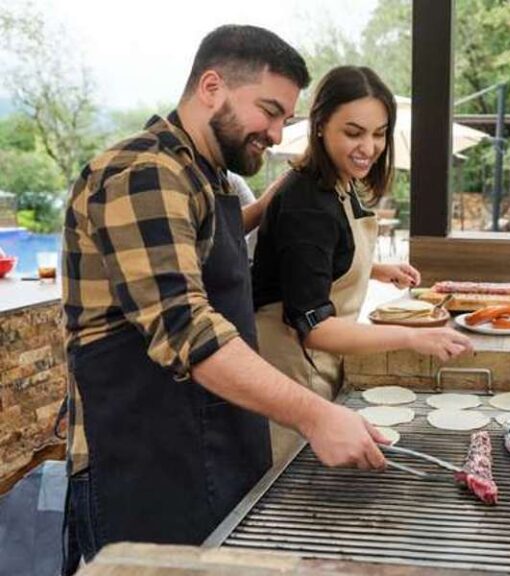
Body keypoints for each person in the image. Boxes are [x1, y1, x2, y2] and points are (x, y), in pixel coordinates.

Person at [60, 26, 389, 571]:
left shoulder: (203, 173)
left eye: (286, 118)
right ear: (212, 86)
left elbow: (213, 238)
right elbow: (186, 328)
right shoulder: (143, 172)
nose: (279, 135)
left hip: (205, 445)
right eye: (270, 111)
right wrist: (315, 416)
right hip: (140, 464)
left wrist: (268, 200)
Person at [250, 66, 473, 459]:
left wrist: (373, 268)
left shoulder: (341, 181)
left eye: (379, 133)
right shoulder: (307, 203)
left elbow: (317, 259)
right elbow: (315, 329)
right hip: (289, 368)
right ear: (319, 125)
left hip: (314, 364)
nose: (369, 147)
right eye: (354, 133)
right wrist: (412, 337)